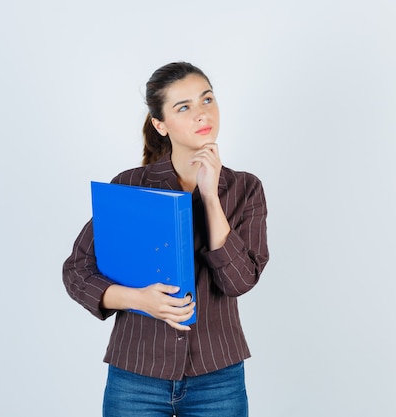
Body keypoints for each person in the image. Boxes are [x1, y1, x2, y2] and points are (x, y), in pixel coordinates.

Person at [63, 62, 269, 417]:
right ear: (160, 124)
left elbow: (238, 281)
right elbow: (77, 270)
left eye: (207, 100)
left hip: (218, 376)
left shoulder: (245, 188)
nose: (201, 114)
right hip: (136, 375)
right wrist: (139, 299)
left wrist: (210, 196)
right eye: (184, 107)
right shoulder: (129, 185)